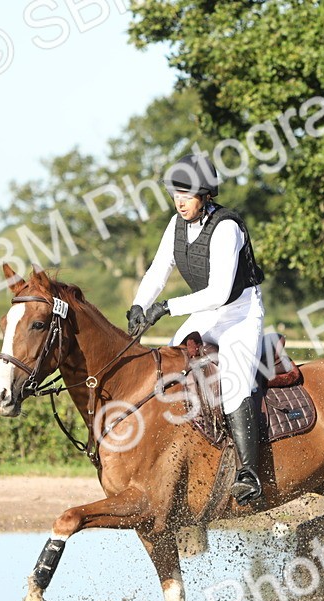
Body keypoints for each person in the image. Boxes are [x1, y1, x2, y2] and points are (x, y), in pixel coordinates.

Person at [127, 154, 266, 505]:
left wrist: (166, 307)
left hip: (239, 314)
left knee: (234, 383)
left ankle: (249, 474)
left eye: (186, 194)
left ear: (205, 195)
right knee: (168, 367)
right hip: (206, 315)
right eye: (176, 194)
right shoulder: (176, 225)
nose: (180, 201)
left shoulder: (226, 228)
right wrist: (140, 304)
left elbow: (219, 293)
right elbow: (158, 270)